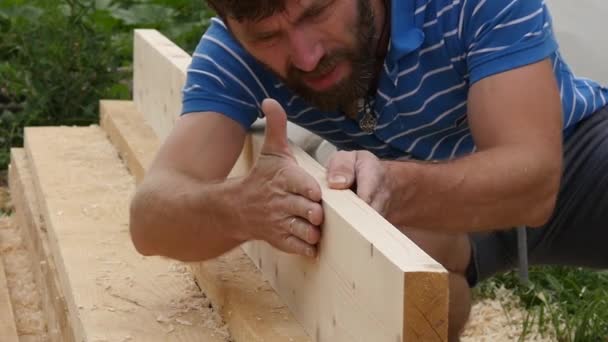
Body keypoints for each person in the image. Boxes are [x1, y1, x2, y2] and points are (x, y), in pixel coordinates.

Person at [128, 0, 608, 340]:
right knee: (398, 277)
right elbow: (151, 220)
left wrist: (394, 185)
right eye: (268, 37)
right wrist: (240, 208)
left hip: (573, 157)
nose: (306, 56)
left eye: (315, 12)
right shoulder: (234, 56)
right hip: (442, 205)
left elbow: (533, 182)